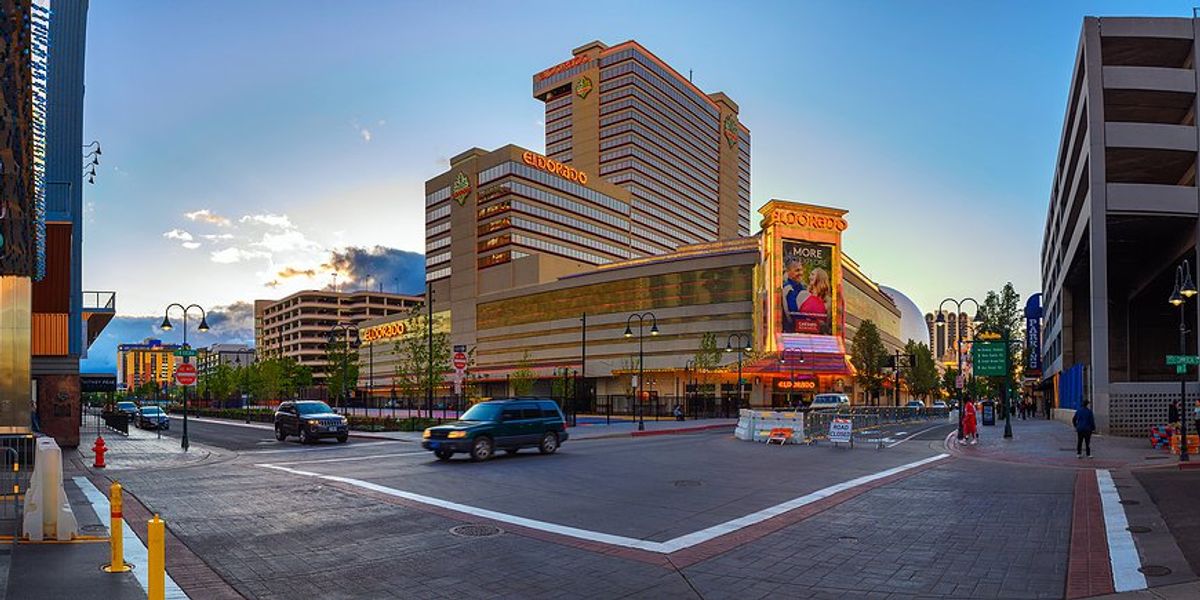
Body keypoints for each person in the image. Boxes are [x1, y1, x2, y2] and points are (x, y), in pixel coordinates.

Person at [781, 256, 808, 334]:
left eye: (801, 270)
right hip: (792, 333)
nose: (801, 273)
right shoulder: (788, 289)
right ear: (788, 272)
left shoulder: (803, 288)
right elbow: (791, 316)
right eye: (797, 270)